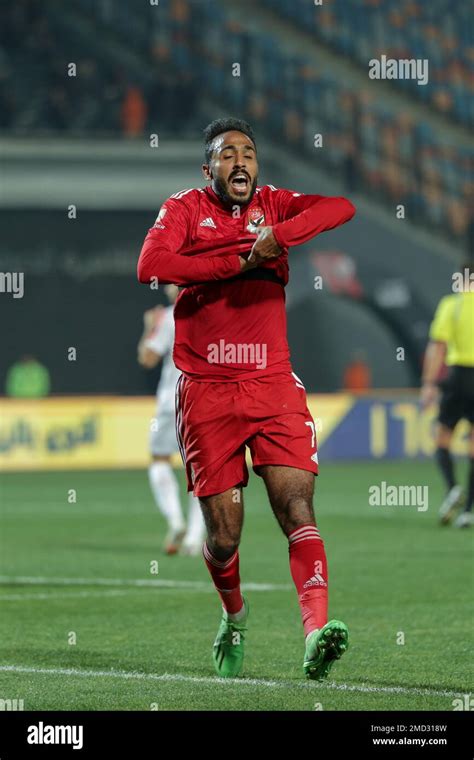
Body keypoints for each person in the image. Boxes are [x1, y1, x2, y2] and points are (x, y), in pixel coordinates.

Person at [137, 117, 356, 679]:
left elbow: (339, 208)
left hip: (271, 385)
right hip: (205, 391)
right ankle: (234, 616)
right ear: (207, 168)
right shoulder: (184, 209)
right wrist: (236, 261)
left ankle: (314, 633)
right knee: (223, 534)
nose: (240, 162)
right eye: (227, 154)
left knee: (296, 507)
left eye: (249, 153)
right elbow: (152, 265)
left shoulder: (277, 205)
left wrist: (277, 238)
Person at [138, 285, 206, 555]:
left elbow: (147, 358)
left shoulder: (168, 316)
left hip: (171, 399)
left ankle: (176, 520)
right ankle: (194, 537)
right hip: (203, 399)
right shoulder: (213, 314)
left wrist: (148, 328)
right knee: (202, 470)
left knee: (159, 459)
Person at [421, 261, 474, 527]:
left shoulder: (451, 306)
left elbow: (437, 348)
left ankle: (453, 487)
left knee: (442, 436)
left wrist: (429, 384)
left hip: (459, 376)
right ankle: (468, 510)